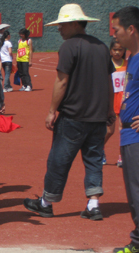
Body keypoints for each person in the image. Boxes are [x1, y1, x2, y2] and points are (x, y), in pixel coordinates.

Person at [23, 4, 115, 221]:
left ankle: (46, 203)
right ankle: (93, 204)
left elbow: (61, 81)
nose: (59, 29)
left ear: (75, 23)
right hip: (98, 117)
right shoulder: (102, 47)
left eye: (62, 24)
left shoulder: (69, 47)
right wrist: (109, 110)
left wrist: (52, 110)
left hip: (73, 115)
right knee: (94, 159)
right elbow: (109, 83)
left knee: (59, 160)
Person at [111, 6, 139, 253]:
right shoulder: (133, 57)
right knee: (133, 193)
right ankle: (138, 240)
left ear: (131, 29)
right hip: (128, 133)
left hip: (137, 136)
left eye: (117, 29)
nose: (114, 35)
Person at [103, 38, 127, 167]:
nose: (117, 52)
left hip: (124, 102)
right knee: (109, 130)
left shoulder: (127, 64)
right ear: (110, 51)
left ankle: (121, 156)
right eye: (115, 49)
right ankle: (100, 149)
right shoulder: (107, 65)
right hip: (111, 102)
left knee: (123, 130)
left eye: (120, 49)